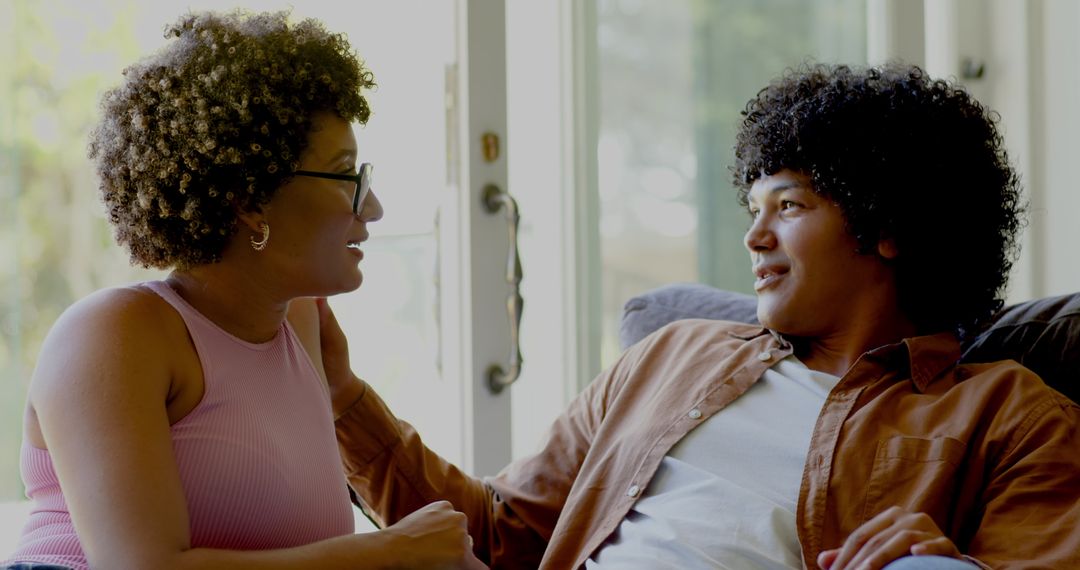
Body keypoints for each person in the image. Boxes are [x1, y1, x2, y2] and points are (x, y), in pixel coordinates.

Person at [322, 63, 1080, 569]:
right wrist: (341, 394)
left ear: (890, 226)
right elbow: (494, 534)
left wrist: (953, 566)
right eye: (754, 209)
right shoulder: (673, 355)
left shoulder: (1011, 415)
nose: (754, 237)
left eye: (789, 207)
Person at [2, 9, 485, 570]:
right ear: (250, 200)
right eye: (346, 175)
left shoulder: (301, 322)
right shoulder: (116, 335)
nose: (372, 207)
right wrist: (389, 551)